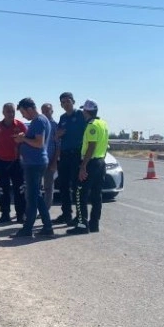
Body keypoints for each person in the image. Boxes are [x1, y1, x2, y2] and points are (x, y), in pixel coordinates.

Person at [13, 98, 54, 237]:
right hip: (34, 163)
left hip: (35, 164)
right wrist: (24, 137)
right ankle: (47, 227)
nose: (23, 116)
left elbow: (38, 143)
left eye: (23, 112)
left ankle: (28, 228)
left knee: (32, 198)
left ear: (29, 109)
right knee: (36, 196)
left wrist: (23, 139)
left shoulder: (38, 121)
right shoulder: (40, 121)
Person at [67, 99, 109, 235]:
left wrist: (83, 166)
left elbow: (91, 146)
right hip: (101, 162)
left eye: (84, 111)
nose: (83, 114)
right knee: (97, 194)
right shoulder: (103, 123)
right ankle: (94, 223)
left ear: (86, 111)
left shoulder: (91, 125)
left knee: (80, 193)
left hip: (91, 162)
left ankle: (82, 224)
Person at [0, 103, 27, 223]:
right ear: (3, 112)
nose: (10, 114)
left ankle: (21, 214)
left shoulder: (21, 126)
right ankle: (5, 214)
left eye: (12, 111)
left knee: (19, 190)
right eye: (8, 111)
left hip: (16, 162)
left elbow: (27, 143)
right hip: (1, 162)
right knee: (3, 190)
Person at [53, 92, 87, 226]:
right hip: (65, 155)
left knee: (76, 186)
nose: (66, 104)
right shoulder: (62, 118)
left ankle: (79, 216)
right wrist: (58, 135)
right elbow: (57, 137)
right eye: (63, 102)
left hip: (77, 154)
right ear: (61, 105)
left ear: (73, 101)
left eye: (68, 101)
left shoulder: (80, 115)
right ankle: (66, 213)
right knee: (63, 186)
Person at [41, 103, 59, 210]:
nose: (45, 113)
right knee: (34, 187)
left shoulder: (55, 125)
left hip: (50, 160)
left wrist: (54, 161)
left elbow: (58, 146)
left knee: (48, 187)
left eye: (47, 111)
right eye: (43, 111)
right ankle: (32, 209)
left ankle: (45, 209)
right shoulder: (39, 123)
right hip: (38, 160)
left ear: (52, 111)